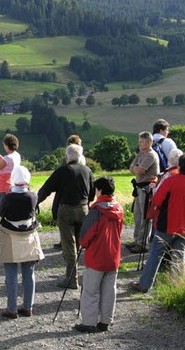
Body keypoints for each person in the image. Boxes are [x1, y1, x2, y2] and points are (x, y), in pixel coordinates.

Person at [130, 154, 185, 293]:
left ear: (179, 166)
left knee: (156, 253)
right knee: (180, 255)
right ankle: (179, 285)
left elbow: (157, 201)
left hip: (167, 224)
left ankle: (145, 284)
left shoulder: (170, 182)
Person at [37, 144, 94, 289]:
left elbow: (46, 189)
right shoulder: (87, 171)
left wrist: (35, 202)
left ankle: (71, 279)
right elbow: (92, 194)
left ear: (67, 156)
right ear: (80, 156)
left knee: (69, 246)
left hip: (66, 211)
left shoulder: (62, 171)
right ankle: (80, 274)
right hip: (83, 210)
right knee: (80, 243)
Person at [74, 176, 123, 333]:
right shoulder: (119, 209)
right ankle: (105, 322)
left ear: (99, 190)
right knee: (109, 290)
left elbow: (86, 236)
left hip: (96, 257)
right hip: (113, 256)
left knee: (90, 290)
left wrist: (82, 242)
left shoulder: (96, 211)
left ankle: (89, 322)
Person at [0, 166, 44, 319]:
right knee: (29, 273)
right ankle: (28, 306)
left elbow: (2, 213)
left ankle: (12, 308)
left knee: (11, 275)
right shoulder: (33, 196)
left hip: (10, 236)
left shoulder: (8, 197)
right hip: (29, 235)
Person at [127, 132, 159, 254]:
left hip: (147, 188)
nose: (139, 143)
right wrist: (135, 167)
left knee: (145, 216)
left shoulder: (150, 155)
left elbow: (140, 170)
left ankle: (143, 243)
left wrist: (136, 167)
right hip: (139, 187)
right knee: (138, 215)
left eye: (141, 141)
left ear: (149, 142)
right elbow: (131, 167)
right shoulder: (142, 153)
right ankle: (137, 240)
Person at [53, 135, 86, 250]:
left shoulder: (70, 159)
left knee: (63, 218)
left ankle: (66, 243)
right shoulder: (82, 159)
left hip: (66, 193)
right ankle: (77, 243)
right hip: (81, 194)